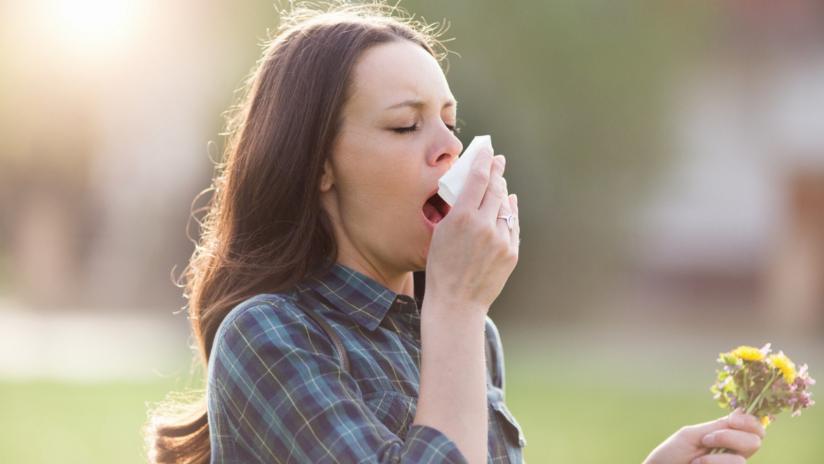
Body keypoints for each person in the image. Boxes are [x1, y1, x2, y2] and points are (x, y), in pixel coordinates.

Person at [146, 3, 765, 463]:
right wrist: (458, 305)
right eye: (404, 126)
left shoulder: (470, 335)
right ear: (320, 167)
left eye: (449, 121)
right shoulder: (269, 336)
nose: (449, 149)